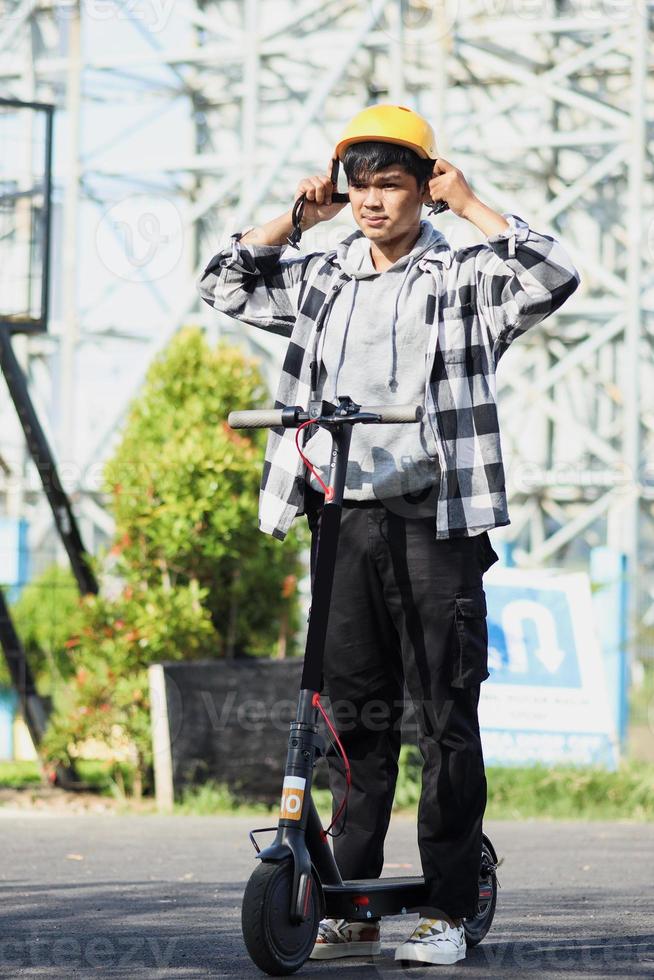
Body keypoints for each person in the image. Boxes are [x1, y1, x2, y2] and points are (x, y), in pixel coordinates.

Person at [197, 104, 580, 967]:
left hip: (433, 517)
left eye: (392, 186)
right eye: (360, 187)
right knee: (355, 716)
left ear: (423, 188)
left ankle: (446, 909)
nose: (372, 203)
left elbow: (554, 273)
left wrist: (472, 203)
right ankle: (353, 900)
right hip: (345, 515)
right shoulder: (325, 274)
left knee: (446, 712)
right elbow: (223, 280)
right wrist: (297, 219)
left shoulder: (460, 278)